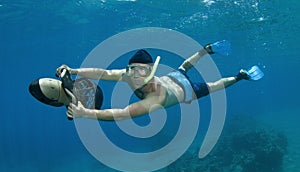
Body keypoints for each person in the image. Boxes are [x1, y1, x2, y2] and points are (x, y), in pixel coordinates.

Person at [55, 41, 252, 121]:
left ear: (150, 71)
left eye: (142, 70)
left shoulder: (155, 98)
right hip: (172, 77)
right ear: (129, 69)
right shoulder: (127, 75)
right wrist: (73, 70)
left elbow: (122, 114)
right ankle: (206, 49)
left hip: (186, 90)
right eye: (133, 69)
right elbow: (103, 73)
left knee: (213, 86)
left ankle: (239, 76)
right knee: (184, 66)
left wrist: (85, 113)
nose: (136, 74)